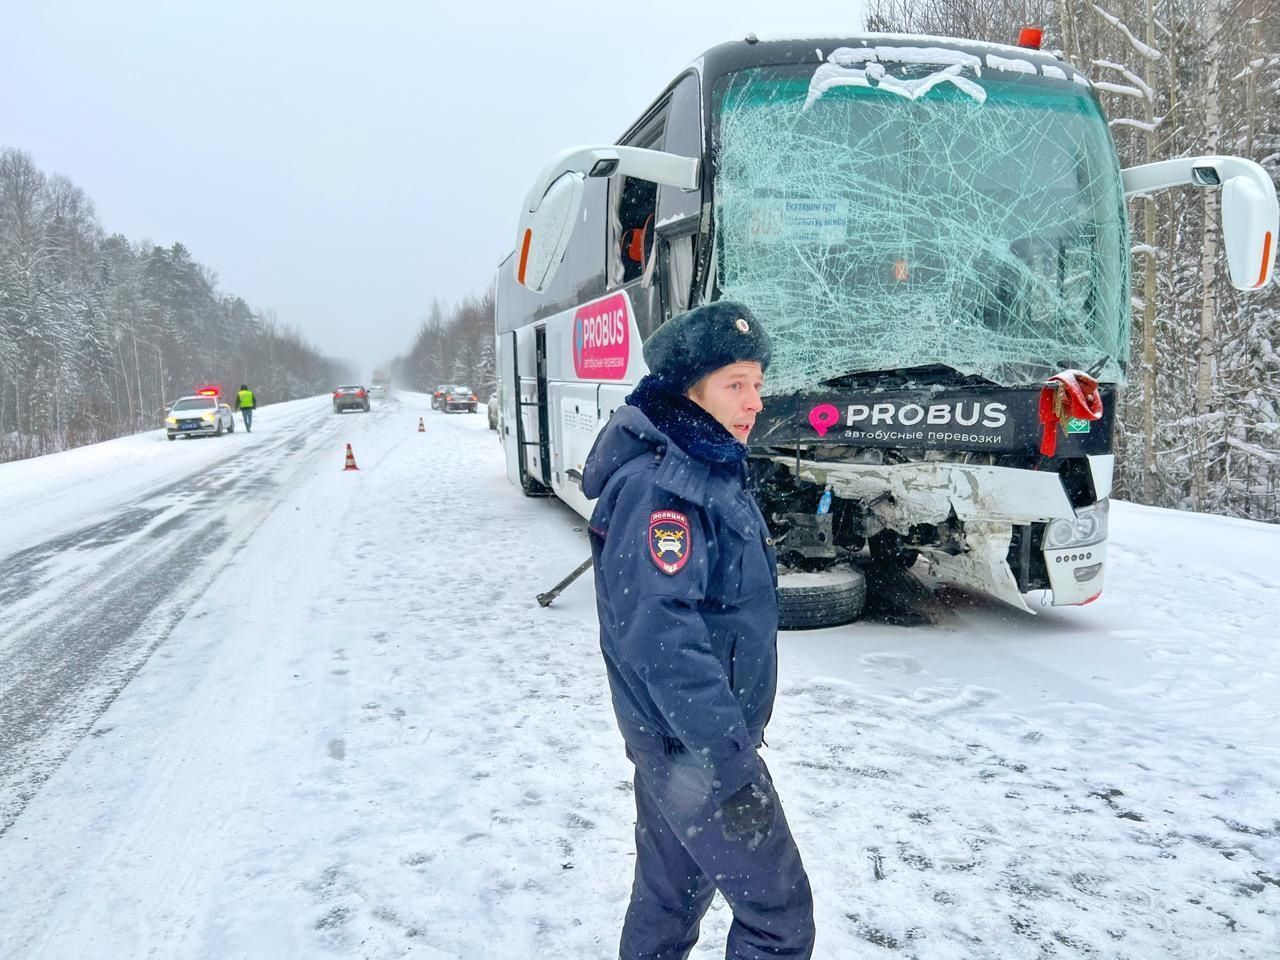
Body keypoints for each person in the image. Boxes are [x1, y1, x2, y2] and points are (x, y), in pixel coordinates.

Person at [582, 301, 815, 960]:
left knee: (669, 902)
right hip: (700, 755)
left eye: (758, 384)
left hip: (679, 750)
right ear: (692, 391)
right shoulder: (665, 488)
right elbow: (662, 640)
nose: (754, 403)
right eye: (735, 385)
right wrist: (730, 766)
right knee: (779, 918)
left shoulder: (704, 468)